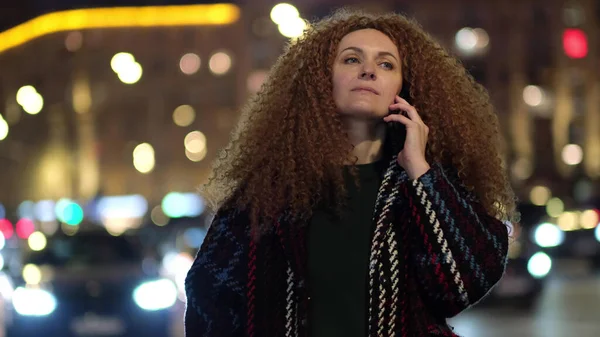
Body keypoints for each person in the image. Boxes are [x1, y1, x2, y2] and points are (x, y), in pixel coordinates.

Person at [184, 8, 517, 337]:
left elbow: (463, 285)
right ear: (321, 79)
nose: (369, 71)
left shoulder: (425, 186)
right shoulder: (267, 194)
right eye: (351, 59)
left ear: (403, 87)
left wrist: (420, 171)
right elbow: (210, 301)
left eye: (386, 64)